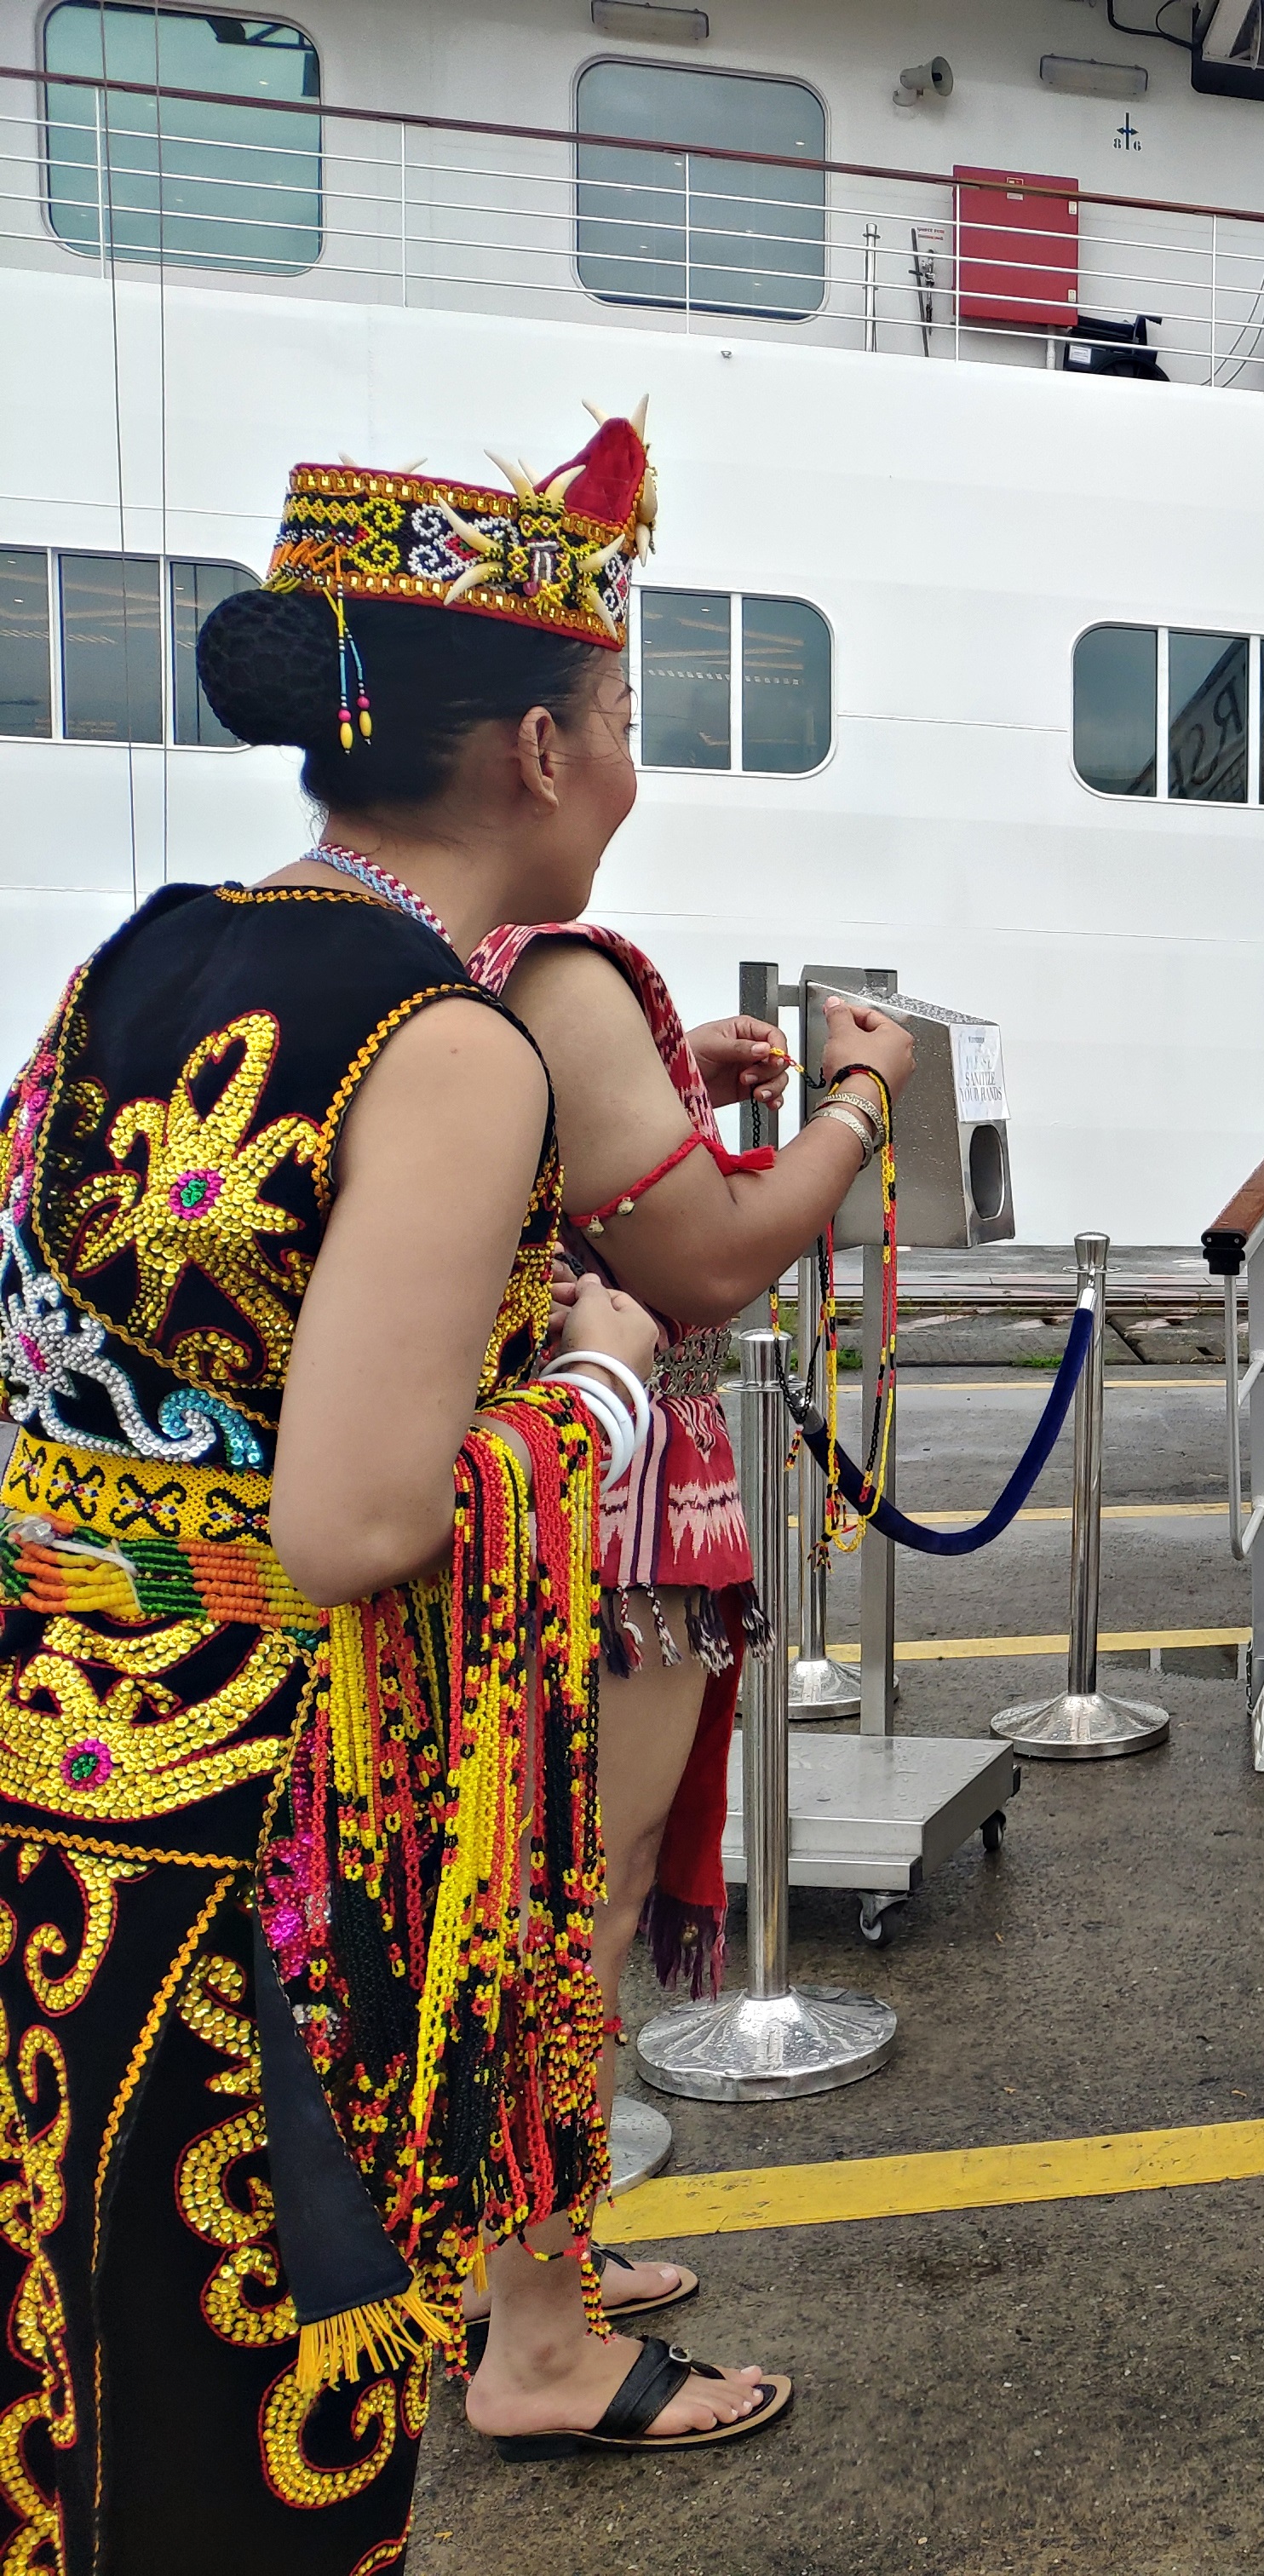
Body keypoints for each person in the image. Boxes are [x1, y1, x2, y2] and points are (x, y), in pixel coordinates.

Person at [0, 411, 772, 2570]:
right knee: (254, 2430)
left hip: (52, 1774)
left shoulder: (137, 953)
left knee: (72, 2388)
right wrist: (606, 1385)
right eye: (618, 720)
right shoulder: (452, 1048)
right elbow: (353, 1522)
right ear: (534, 749)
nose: (628, 766)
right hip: (256, 1855)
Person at [457, 921, 918, 2365]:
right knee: (579, 1899)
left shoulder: (436, 957)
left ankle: (519, 2257)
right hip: (617, 1499)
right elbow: (711, 1261)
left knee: (541, 1891)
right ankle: (541, 2324)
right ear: (537, 742)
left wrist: (680, 1084)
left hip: (558, 1488)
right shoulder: (550, 958)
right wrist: (860, 1095)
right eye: (611, 724)